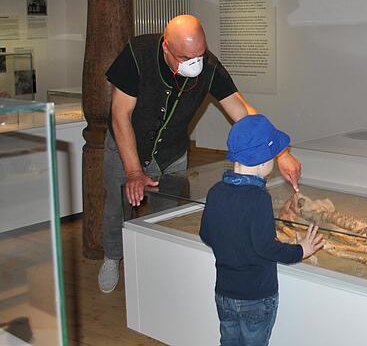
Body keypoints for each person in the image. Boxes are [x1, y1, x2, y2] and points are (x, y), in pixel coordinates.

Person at [99, 15, 302, 293]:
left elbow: (243, 112)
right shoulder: (137, 54)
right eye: (185, 56)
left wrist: (281, 152)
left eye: (200, 54)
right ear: (166, 48)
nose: (196, 62)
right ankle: (112, 256)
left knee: (167, 212)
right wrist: (134, 171)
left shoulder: (209, 66)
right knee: (116, 206)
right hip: (125, 144)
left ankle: (162, 264)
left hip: (170, 153)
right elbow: (120, 115)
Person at [199, 114, 324, 346]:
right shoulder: (258, 199)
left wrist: (235, 242)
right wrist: (301, 250)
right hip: (256, 297)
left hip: (224, 294)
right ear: (263, 161)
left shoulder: (215, 191)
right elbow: (266, 247)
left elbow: (206, 234)